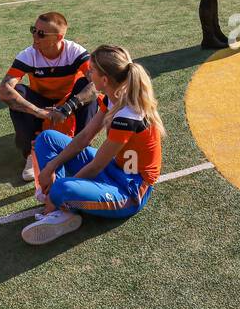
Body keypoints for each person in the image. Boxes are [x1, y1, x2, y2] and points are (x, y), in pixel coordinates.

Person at [22, 45, 163, 245]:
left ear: (104, 80)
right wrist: (51, 167)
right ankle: (60, 203)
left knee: (63, 188)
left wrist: (58, 193)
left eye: (92, 70)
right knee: (48, 139)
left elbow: (97, 165)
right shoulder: (113, 98)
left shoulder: (128, 116)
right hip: (114, 169)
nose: (88, 73)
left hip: (130, 190)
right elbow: (85, 136)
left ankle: (61, 206)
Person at [0, 10, 98, 182]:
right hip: (41, 102)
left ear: (58, 38)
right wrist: (38, 111)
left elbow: (97, 85)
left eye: (41, 33)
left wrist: (67, 108)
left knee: (88, 90)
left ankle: (81, 149)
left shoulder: (75, 51)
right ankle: (31, 154)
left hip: (68, 101)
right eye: (33, 30)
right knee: (18, 92)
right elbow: (4, 90)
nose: (35, 36)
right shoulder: (29, 55)